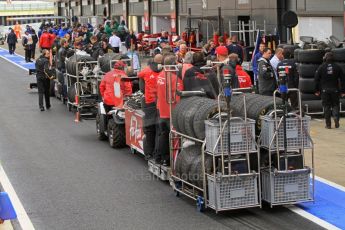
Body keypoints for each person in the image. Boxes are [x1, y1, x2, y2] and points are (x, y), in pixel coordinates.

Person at [155, 55, 183, 166]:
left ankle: (163, 158)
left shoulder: (160, 75)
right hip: (171, 111)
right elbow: (179, 97)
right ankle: (170, 160)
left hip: (161, 109)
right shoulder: (174, 79)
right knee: (172, 137)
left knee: (162, 135)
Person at [137, 54, 163, 159]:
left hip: (149, 103)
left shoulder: (146, 71)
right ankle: (158, 153)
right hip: (161, 103)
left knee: (149, 128)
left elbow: (139, 77)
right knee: (160, 129)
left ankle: (148, 153)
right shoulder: (165, 71)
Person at [315, 52, 345, 129]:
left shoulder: (321, 67)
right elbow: (343, 80)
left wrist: (316, 90)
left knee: (326, 106)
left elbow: (316, 79)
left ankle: (328, 125)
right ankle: (336, 119)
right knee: (335, 105)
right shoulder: (338, 67)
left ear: (325, 58)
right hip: (335, 90)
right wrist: (343, 91)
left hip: (325, 90)